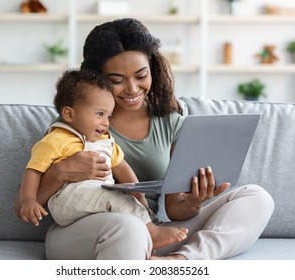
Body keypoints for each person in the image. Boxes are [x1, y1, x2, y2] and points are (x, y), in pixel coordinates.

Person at [15, 18, 274, 260]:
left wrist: (195, 201)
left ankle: (182, 261)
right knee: (129, 228)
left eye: (141, 75)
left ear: (153, 69)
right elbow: (26, 206)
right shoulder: (75, 124)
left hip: (156, 229)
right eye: (116, 80)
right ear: (96, 79)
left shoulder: (171, 121)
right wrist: (61, 172)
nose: (132, 89)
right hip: (84, 232)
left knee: (257, 198)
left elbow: (174, 209)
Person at [19, 69, 188, 250]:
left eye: (109, 116)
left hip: (98, 205)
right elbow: (33, 171)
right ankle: (152, 234)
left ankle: (145, 235)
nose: (106, 122)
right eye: (100, 114)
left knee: (121, 201)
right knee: (117, 199)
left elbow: (124, 170)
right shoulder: (55, 139)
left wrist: (141, 201)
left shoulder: (105, 141)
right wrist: (29, 200)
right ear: (69, 114)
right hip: (67, 201)